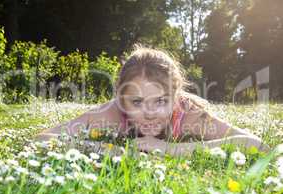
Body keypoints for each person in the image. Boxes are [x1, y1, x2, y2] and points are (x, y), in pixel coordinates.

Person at [36, 44, 270, 156]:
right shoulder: (113, 114)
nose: (149, 113)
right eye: (136, 102)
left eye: (160, 101)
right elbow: (42, 139)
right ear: (121, 98)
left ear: (175, 96)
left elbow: (257, 145)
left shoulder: (189, 116)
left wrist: (169, 149)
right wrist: (110, 150)